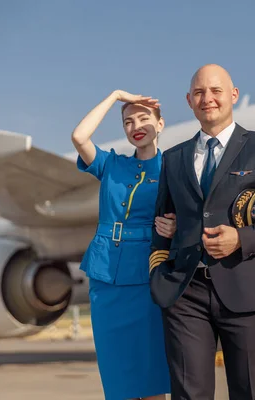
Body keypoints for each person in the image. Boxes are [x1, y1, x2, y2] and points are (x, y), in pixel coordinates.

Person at [148, 64, 255, 400]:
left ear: (233, 95)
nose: (208, 99)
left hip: (246, 286)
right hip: (185, 293)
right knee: (189, 394)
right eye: (199, 93)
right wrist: (159, 275)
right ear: (189, 101)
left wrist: (243, 239)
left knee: (248, 391)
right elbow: (161, 223)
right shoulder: (173, 159)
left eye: (216, 90)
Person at [71, 90, 176, 400]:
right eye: (128, 121)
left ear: (161, 124)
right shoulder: (111, 164)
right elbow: (79, 136)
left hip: (149, 274)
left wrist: (176, 226)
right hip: (106, 276)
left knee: (152, 374)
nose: (136, 126)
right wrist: (115, 96)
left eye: (144, 118)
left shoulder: (173, 169)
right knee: (117, 377)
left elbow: (192, 216)